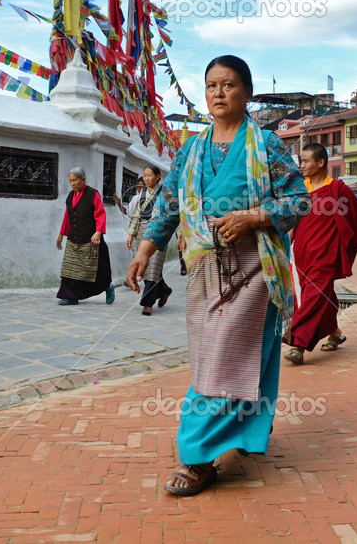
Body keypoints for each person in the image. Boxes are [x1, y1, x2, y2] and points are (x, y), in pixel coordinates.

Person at [126, 54, 308, 496]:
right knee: (216, 356)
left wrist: (253, 217)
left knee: (227, 358)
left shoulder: (266, 144)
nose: (219, 93)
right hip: (205, 268)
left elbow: (299, 200)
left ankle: (198, 456)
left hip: (256, 268)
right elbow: (169, 204)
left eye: (228, 85)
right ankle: (242, 435)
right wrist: (145, 249)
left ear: (247, 92)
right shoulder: (191, 149)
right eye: (211, 86)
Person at [283, 143, 357, 365]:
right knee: (319, 295)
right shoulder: (300, 189)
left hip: (327, 253)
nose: (301, 165)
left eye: (305, 161)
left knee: (315, 295)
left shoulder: (337, 188)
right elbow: (292, 223)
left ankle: (298, 344)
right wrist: (285, 249)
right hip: (303, 254)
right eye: (300, 161)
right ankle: (334, 332)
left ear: (320, 162)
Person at [56, 168, 115, 306]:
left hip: (91, 239)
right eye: (70, 180)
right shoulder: (71, 195)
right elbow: (68, 216)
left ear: (83, 179)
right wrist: (61, 234)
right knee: (69, 268)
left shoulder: (92, 194)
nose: (72, 183)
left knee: (95, 269)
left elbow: (100, 214)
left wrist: (98, 232)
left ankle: (107, 287)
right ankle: (71, 296)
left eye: (75, 180)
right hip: (73, 238)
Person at [126, 166, 171, 316]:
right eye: (144, 176)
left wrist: (180, 236)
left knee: (154, 267)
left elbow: (174, 212)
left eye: (149, 175)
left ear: (158, 176)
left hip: (159, 231)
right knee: (146, 266)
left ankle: (147, 303)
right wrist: (131, 234)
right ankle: (164, 290)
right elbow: (136, 215)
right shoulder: (142, 193)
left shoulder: (165, 192)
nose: (146, 179)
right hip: (142, 232)